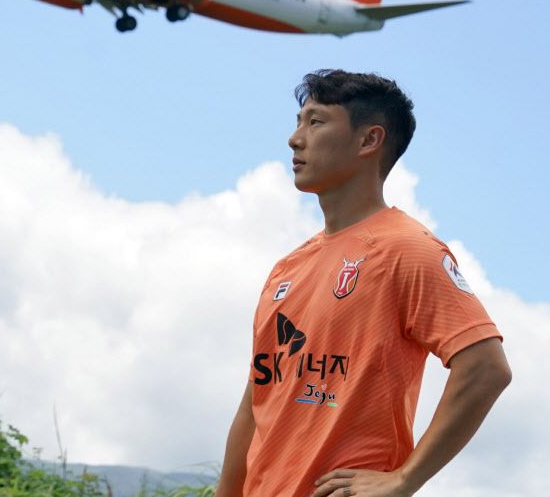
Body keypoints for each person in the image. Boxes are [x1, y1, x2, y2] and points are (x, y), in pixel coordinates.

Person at [214, 69, 511, 497]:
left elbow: (486, 368)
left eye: (315, 122)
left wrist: (405, 478)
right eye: (299, 122)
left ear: (369, 140)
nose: (294, 139)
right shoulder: (286, 269)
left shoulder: (407, 249)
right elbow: (255, 403)